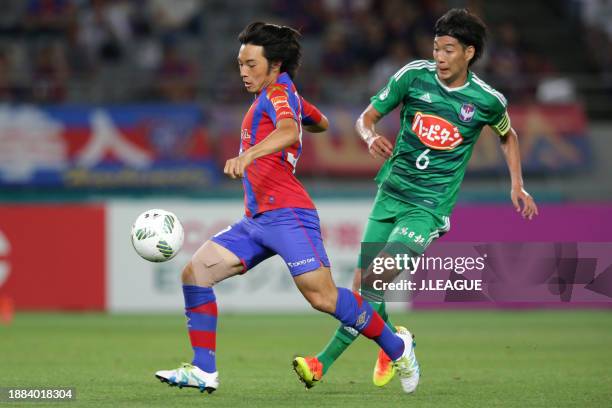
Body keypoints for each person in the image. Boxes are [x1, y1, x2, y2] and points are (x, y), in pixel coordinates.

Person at [154, 21, 419, 395]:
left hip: (288, 215)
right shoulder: (282, 93)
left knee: (323, 298)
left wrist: (249, 154)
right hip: (255, 221)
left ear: (275, 63)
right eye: (240, 64)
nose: (243, 71)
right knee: (195, 274)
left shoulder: (278, 93)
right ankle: (203, 370)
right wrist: (299, 111)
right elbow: (320, 122)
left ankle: (398, 347)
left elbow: (290, 131)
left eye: (251, 64)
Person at [293, 8, 539, 391]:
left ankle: (321, 363)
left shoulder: (486, 101)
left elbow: (508, 136)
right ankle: (396, 343)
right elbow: (366, 117)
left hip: (428, 208)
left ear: (469, 52)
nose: (440, 57)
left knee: (375, 279)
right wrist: (370, 136)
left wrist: (516, 184)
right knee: (364, 289)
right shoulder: (413, 76)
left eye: (449, 50)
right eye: (437, 48)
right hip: (389, 195)